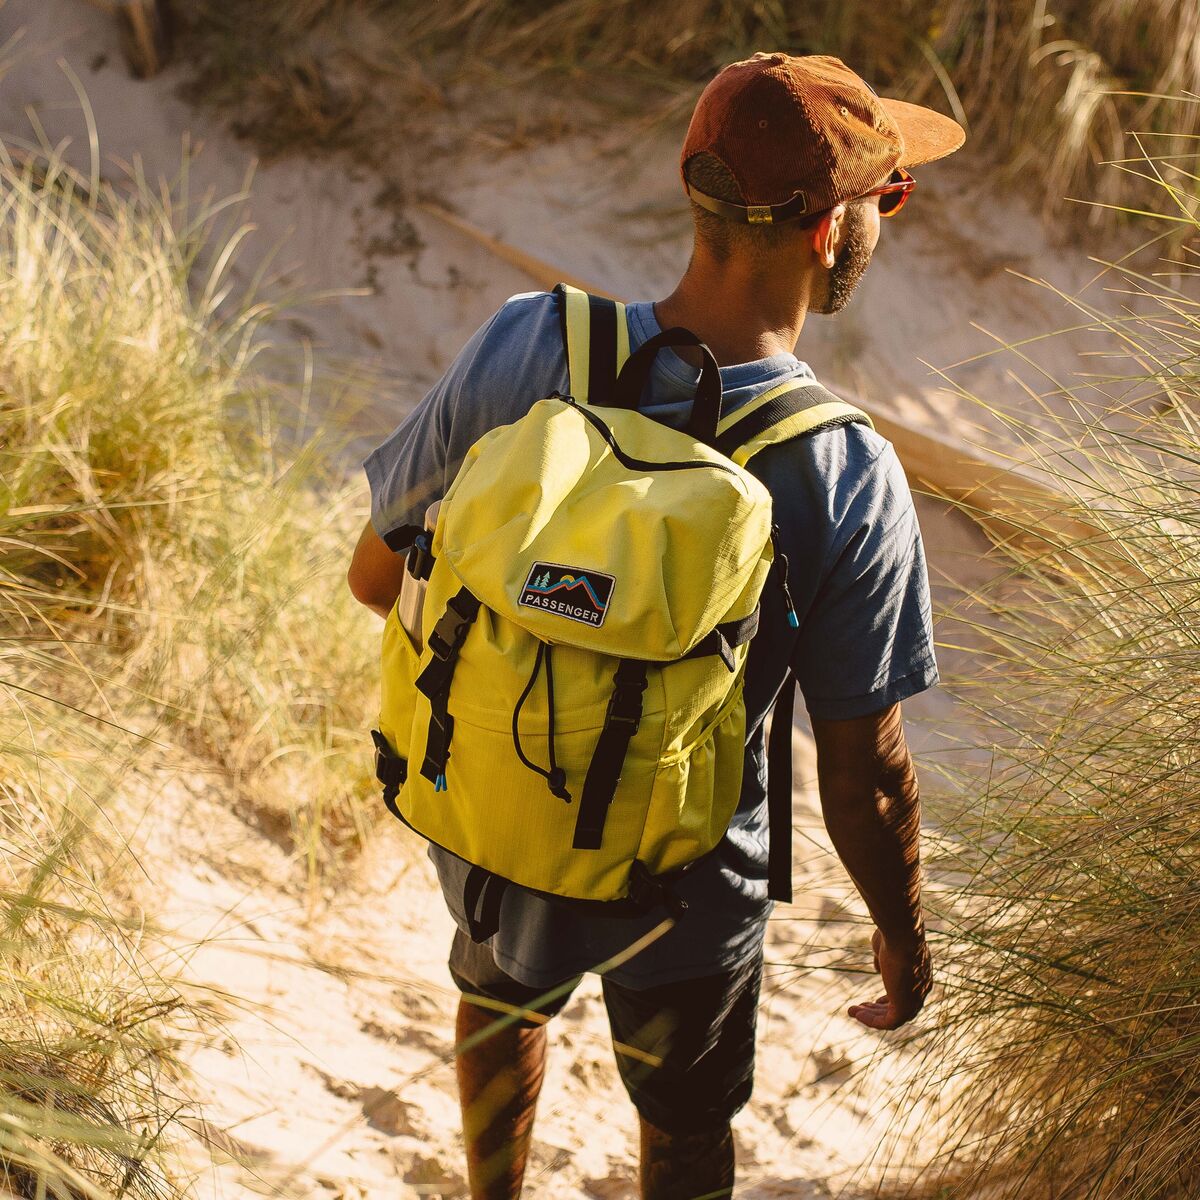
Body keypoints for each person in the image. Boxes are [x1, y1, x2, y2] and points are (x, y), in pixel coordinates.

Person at [349, 51, 964, 1200]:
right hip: (686, 894)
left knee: (498, 1005)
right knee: (685, 1126)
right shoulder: (846, 471)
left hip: (493, 829)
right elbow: (865, 774)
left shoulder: (529, 345)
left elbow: (376, 578)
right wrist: (903, 937)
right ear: (829, 230)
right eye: (889, 194)